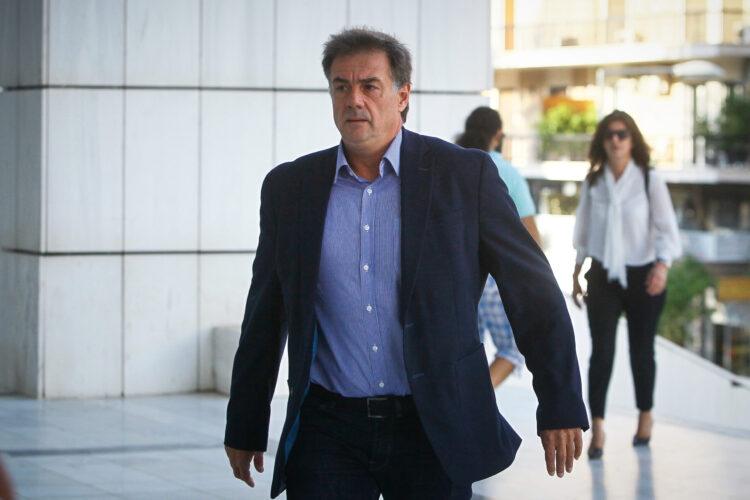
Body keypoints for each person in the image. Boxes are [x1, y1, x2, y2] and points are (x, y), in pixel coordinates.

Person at [224, 28, 589, 499]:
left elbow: (533, 291)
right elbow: (265, 310)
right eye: (341, 86)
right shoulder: (290, 188)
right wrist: (246, 420)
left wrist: (559, 401)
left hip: (434, 427)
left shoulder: (464, 176)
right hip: (327, 428)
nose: (354, 99)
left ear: (402, 95)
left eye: (369, 86)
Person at [571, 110, 681, 459]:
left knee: (641, 351)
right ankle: (598, 428)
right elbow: (583, 230)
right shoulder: (594, 181)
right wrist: (576, 271)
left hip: (644, 274)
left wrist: (662, 267)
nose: (615, 140)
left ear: (633, 140)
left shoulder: (649, 179)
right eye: (609, 135)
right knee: (601, 353)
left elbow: (667, 230)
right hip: (602, 275)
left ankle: (645, 415)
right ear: (602, 142)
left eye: (622, 134)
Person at [456, 106, 541, 387]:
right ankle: (476, 398)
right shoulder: (507, 172)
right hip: (495, 280)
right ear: (498, 135)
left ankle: (465, 400)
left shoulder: (453, 165)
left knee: (465, 351)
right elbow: (530, 235)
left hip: (458, 277)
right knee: (512, 349)